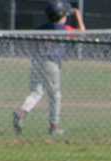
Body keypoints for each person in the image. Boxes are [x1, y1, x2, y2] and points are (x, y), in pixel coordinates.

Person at [13, 1, 85, 137]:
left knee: (37, 92)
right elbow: (82, 33)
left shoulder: (41, 28)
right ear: (62, 16)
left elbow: (31, 44)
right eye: (66, 15)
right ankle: (54, 126)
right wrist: (78, 15)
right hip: (51, 63)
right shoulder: (64, 29)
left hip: (37, 61)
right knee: (55, 95)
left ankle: (21, 112)